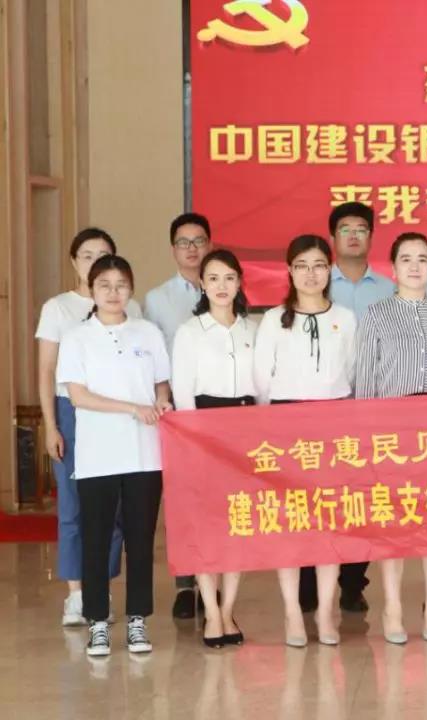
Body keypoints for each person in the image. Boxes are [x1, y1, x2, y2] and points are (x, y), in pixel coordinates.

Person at [56, 255, 171, 657]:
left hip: (144, 454)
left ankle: (138, 620)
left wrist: (160, 401)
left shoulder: (147, 332)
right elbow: (78, 395)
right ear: (91, 289)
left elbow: (160, 383)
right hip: (98, 456)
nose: (113, 292)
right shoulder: (77, 338)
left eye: (121, 284)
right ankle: (98, 623)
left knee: (140, 540)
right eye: (104, 285)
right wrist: (132, 408)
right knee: (97, 540)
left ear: (131, 289)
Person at [253, 234, 358, 647]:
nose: (310, 274)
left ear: (330, 270)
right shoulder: (272, 319)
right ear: (289, 271)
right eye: (301, 266)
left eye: (318, 265)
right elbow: (262, 381)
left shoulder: (346, 318)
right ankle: (293, 613)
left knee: (330, 520)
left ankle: (326, 612)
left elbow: (352, 372)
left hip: (334, 423)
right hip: (286, 425)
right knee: (291, 522)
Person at [355, 232, 427, 645]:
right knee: (392, 520)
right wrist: (367, 437)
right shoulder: (376, 314)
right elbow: (366, 378)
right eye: (406, 259)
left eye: (422, 259)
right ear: (393, 268)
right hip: (389, 426)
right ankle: (393, 606)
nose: (414, 266)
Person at [36, 228, 141, 628]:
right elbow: (46, 371)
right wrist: (51, 425)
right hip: (71, 410)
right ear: (74, 262)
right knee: (73, 505)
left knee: (113, 508)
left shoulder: (131, 307)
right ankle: (76, 593)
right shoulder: (58, 308)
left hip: (118, 413)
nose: (94, 262)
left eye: (103, 255)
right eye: (86, 255)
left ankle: (102, 590)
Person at [171, 249, 258, 648]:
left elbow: (264, 385)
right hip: (203, 431)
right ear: (202, 285)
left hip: (246, 431)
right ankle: (209, 609)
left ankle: (227, 609)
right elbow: (182, 390)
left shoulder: (253, 328)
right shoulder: (190, 332)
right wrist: (193, 441)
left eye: (229, 278)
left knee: (238, 525)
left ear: (239, 282)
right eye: (213, 278)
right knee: (206, 527)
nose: (222, 286)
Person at [324, 201, 394, 613]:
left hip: (373, 407)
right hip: (325, 406)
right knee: (321, 495)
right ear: (333, 237)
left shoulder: (388, 289)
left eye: (361, 229)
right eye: (345, 229)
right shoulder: (317, 281)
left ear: (371, 236)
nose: (353, 236)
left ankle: (353, 581)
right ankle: (314, 582)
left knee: (364, 498)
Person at [143, 212, 213, 619]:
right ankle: (186, 584)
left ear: (209, 245)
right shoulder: (157, 299)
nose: (192, 249)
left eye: (198, 241)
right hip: (176, 411)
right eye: (184, 242)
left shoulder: (224, 287)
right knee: (181, 499)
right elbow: (151, 360)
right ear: (173, 249)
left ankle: (213, 578)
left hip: (216, 408)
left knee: (214, 497)